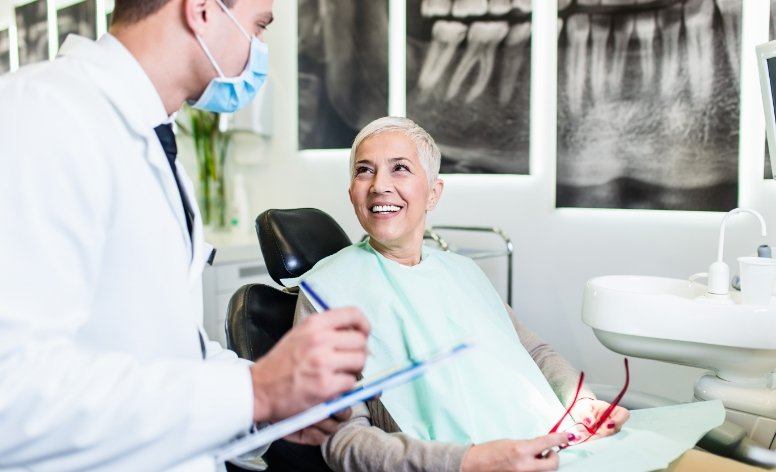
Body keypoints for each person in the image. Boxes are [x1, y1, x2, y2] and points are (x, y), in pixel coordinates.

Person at [0, 0, 370, 470]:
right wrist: (252, 393)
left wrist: (271, 407)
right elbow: (10, 392)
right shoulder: (41, 115)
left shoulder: (149, 138)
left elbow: (170, 348)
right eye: (258, 27)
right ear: (201, 10)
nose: (259, 50)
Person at [294, 116, 630, 472]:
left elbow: (533, 350)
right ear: (352, 192)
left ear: (433, 193)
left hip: (556, 448)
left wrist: (580, 402)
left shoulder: (462, 270)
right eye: (365, 170)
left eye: (400, 168)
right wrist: (467, 461)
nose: (380, 186)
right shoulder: (328, 292)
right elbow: (345, 439)